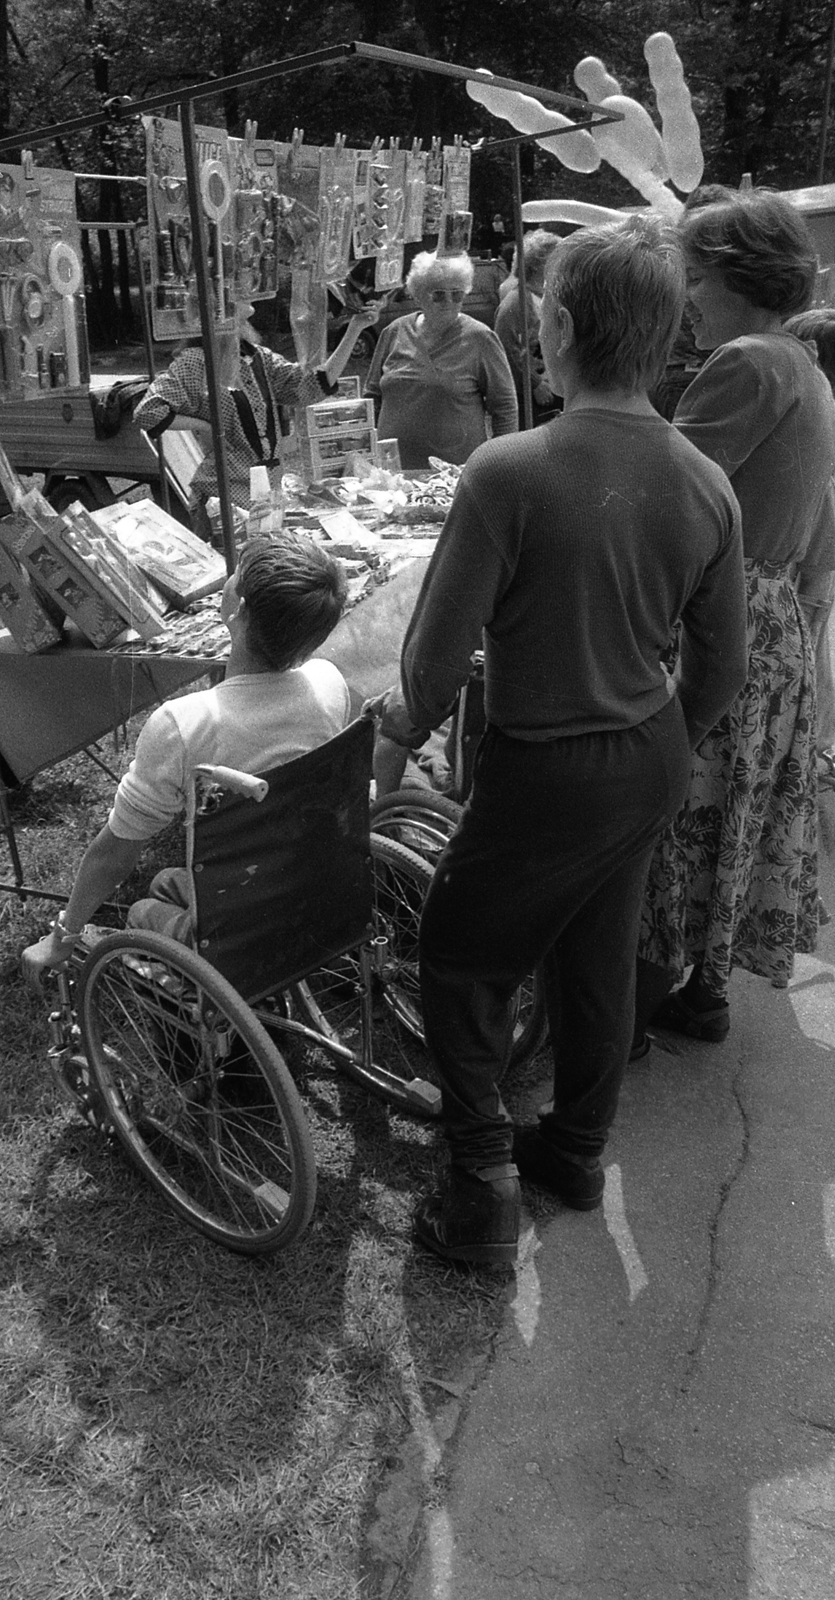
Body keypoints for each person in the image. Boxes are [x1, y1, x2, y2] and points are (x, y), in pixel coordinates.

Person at [369, 216, 748, 1265]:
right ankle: (573, 1150)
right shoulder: (704, 480)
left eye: (540, 315)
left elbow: (431, 663)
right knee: (595, 954)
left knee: (459, 957)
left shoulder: (508, 469)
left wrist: (396, 740)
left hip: (545, 762)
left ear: (565, 328)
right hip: (648, 750)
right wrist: (654, 734)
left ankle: (478, 1185)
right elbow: (720, 668)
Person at [636, 192, 835, 1048]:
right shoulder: (799, 363)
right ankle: (701, 991)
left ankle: (627, 1017)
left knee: (675, 810)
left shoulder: (749, 361)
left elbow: (661, 490)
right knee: (730, 808)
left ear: (738, 277)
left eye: (694, 277)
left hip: (724, 615)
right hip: (770, 614)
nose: (685, 297)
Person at [21, 536, 350, 982]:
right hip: (316, 890)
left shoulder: (185, 724)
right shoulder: (329, 684)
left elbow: (116, 852)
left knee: (142, 908)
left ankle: (197, 1000)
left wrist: (63, 936)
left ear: (238, 611)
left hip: (241, 928)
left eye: (235, 574)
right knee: (165, 882)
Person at [134, 301, 378, 541]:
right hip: (224, 496)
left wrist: (354, 329)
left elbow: (311, 387)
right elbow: (148, 411)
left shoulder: (258, 357)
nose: (250, 295)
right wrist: (205, 425)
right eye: (239, 290)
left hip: (268, 492)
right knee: (236, 563)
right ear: (221, 304)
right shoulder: (197, 361)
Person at [363, 251, 518, 471]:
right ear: (417, 294)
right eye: (438, 295)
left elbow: (505, 407)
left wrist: (500, 464)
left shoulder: (480, 338)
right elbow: (372, 397)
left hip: (455, 473)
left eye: (457, 294)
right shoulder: (394, 331)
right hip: (394, 473)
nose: (449, 302)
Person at [784, 306, 835, 793]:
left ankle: (815, 753)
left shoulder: (816, 437)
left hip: (807, 586)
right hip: (813, 582)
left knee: (814, 657)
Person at [493, 229, 562, 426]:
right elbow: (506, 348)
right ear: (538, 263)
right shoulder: (516, 303)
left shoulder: (555, 296)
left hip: (559, 388)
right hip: (534, 396)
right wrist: (534, 383)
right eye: (556, 257)